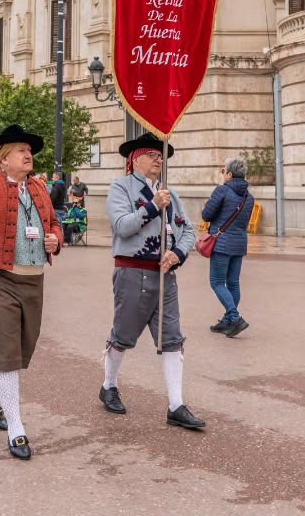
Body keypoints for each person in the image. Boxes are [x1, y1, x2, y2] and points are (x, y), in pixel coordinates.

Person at [0, 124, 63, 461]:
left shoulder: (39, 188)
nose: (28, 154)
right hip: (0, 279)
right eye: (21, 150)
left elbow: (53, 225)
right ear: (4, 159)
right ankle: (16, 427)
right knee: (6, 351)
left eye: (28, 150)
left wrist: (55, 240)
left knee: (23, 347)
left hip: (34, 280)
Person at [99, 131, 204, 431]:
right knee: (123, 334)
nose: (159, 159)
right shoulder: (121, 187)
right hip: (132, 272)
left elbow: (187, 231)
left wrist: (178, 254)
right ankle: (109, 385)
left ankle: (176, 405)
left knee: (172, 338)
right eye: (152, 154)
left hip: (165, 274)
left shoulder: (171, 194)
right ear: (135, 159)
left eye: (162, 155)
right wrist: (152, 206)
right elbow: (122, 227)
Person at [200, 158, 255, 337]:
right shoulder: (249, 196)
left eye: (224, 171)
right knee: (233, 282)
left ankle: (234, 316)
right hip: (239, 243)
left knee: (216, 282)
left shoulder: (222, 190)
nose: (223, 174)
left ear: (229, 174)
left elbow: (207, 214)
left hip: (222, 243)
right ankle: (227, 321)